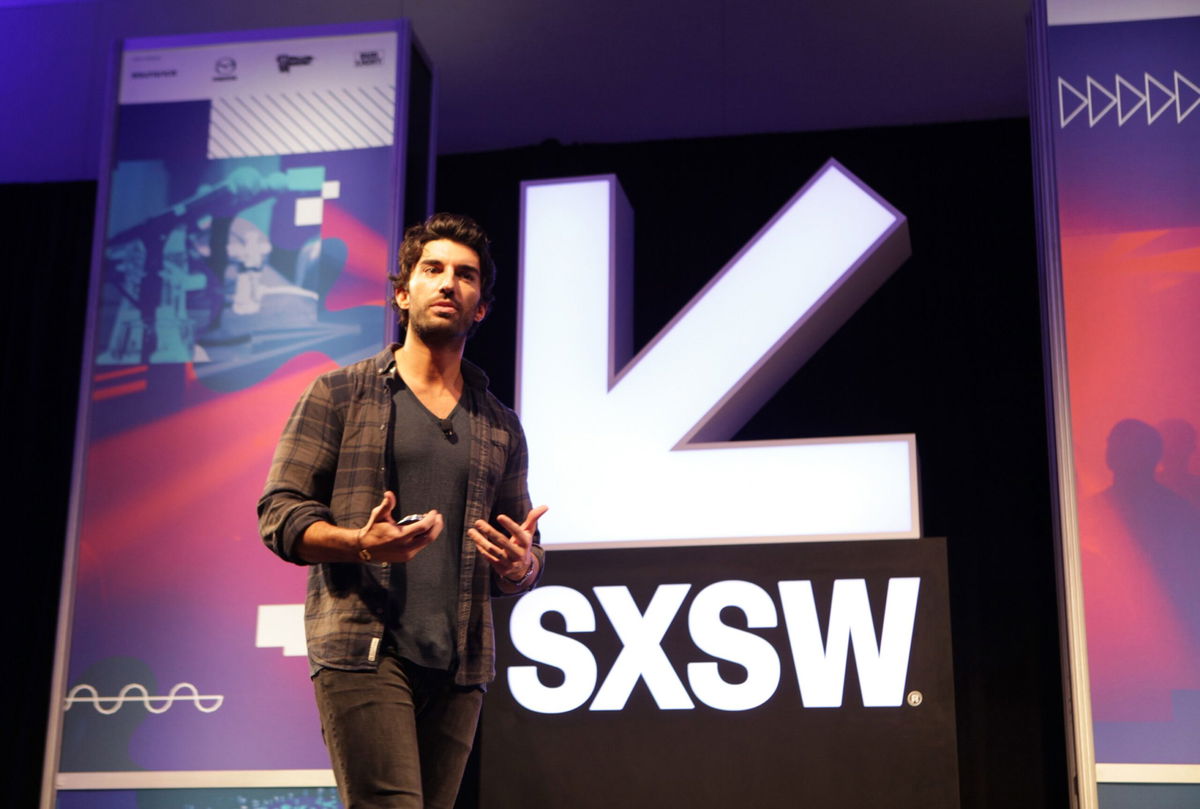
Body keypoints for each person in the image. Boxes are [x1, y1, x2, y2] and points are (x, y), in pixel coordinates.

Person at [258, 212, 546, 809]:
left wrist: (521, 566)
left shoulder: (499, 425)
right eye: (432, 269)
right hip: (363, 648)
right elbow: (280, 513)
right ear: (402, 292)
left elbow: (520, 549)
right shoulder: (340, 394)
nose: (448, 284)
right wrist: (361, 543)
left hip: (460, 663)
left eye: (465, 276)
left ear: (481, 306)